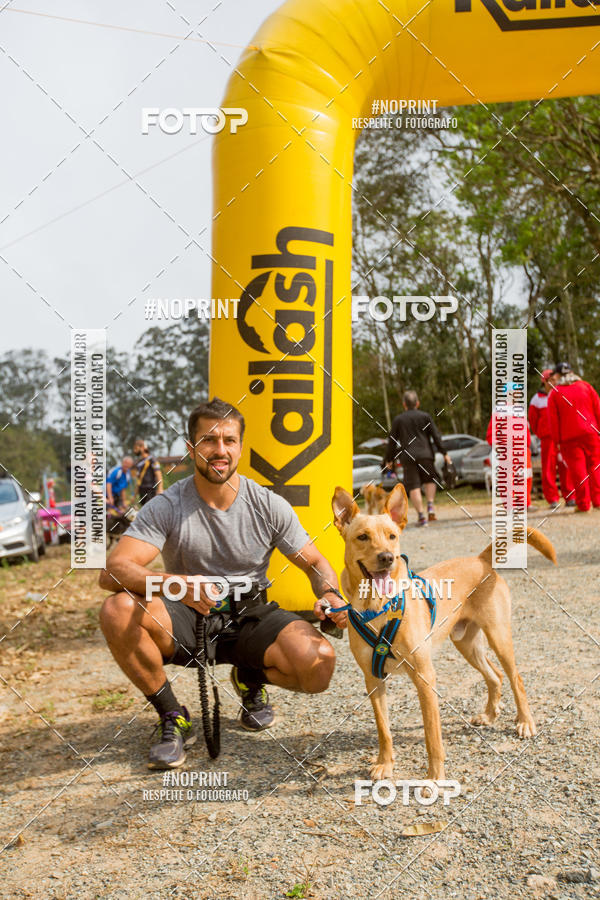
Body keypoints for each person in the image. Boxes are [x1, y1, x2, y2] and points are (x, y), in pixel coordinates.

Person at [98, 397, 347, 770]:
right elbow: (113, 571)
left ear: (241, 447)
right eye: (209, 440)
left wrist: (328, 592)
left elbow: (314, 562)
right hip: (187, 617)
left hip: (250, 613)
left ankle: (248, 677)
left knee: (319, 666)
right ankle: (173, 716)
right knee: (117, 609)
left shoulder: (267, 503)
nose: (220, 450)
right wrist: (177, 586)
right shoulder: (167, 505)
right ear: (191, 447)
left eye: (229, 441)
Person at [384, 390, 451, 527]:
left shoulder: (399, 420)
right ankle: (430, 506)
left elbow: (392, 441)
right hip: (426, 454)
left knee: (413, 486)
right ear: (417, 403)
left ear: (404, 404)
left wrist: (388, 459)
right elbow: (436, 435)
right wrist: (444, 452)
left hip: (408, 456)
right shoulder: (425, 417)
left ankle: (421, 516)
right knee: (429, 480)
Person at [547, 362, 600, 513]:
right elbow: (598, 409)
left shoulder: (555, 393)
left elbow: (553, 421)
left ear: (557, 376)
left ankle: (583, 504)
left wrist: (557, 441)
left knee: (578, 471)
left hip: (569, 438)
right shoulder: (586, 386)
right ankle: (598, 501)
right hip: (591, 433)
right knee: (595, 467)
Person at [528, 369, 575, 508]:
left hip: (562, 438)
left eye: (555, 380)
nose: (553, 383)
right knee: (548, 469)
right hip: (547, 439)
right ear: (544, 382)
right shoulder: (536, 399)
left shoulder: (561, 395)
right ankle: (552, 499)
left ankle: (570, 497)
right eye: (551, 380)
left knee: (565, 468)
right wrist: (542, 434)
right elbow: (533, 420)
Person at [486, 384, 533, 509]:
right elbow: (492, 431)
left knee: (525, 475)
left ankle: (525, 503)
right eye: (515, 391)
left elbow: (525, 429)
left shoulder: (520, 409)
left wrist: (527, 445)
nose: (518, 394)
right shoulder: (499, 409)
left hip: (522, 449)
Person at [133, 438, 164, 506]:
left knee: (150, 510)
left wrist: (160, 488)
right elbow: (138, 480)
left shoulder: (152, 459)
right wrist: (134, 496)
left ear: (142, 447)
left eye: (136, 448)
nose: (134, 450)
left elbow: (158, 474)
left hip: (150, 490)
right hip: (141, 491)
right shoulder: (138, 463)